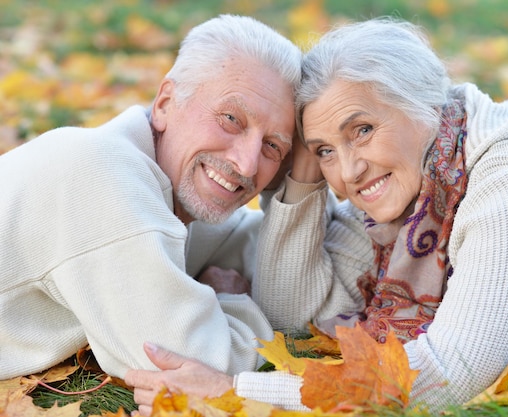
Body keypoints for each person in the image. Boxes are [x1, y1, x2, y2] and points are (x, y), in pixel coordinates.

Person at [125, 16, 508, 414]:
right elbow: (292, 315)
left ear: (423, 104)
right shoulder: (412, 193)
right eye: (325, 150)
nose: (349, 171)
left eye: (362, 129)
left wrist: (232, 390)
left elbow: (448, 377)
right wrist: (305, 170)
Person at [0, 14, 301, 384]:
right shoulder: (102, 179)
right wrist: (234, 301)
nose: (247, 163)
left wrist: (306, 188)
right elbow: (199, 365)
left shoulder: (169, 191)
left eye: (272, 146)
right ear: (165, 104)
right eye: (230, 119)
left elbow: (271, 253)